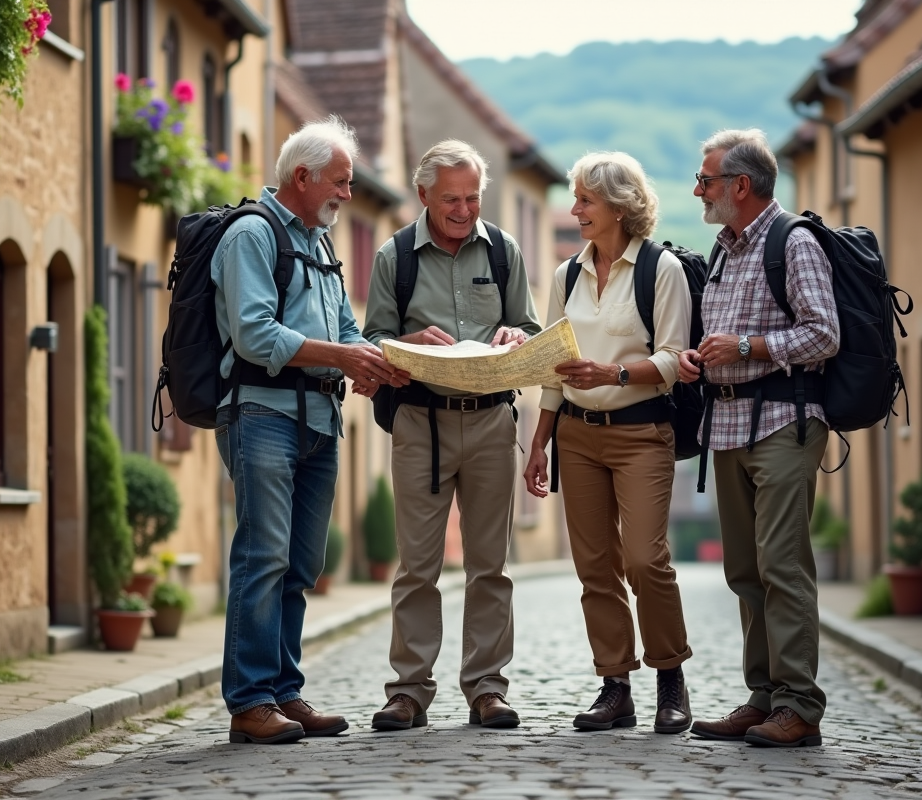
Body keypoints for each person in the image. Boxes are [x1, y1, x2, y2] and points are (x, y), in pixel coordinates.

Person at [213, 115, 408, 745]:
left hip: (321, 420)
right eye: (341, 182)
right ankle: (249, 703)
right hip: (263, 414)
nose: (349, 194)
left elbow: (344, 329)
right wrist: (341, 357)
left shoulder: (321, 243)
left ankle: (284, 692)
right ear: (303, 177)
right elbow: (254, 333)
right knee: (263, 556)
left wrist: (378, 358)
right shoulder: (252, 235)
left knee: (301, 563)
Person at [363, 140, 542, 731]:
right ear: (422, 196)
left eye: (472, 197)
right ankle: (408, 690)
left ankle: (488, 688)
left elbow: (529, 326)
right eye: (450, 200)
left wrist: (517, 337)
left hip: (492, 419)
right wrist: (412, 343)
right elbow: (374, 342)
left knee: (490, 564)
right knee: (418, 565)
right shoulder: (395, 257)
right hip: (420, 423)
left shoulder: (505, 251)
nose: (464, 210)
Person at [523, 151, 695, 734]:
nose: (575, 210)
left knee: (646, 560)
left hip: (643, 432)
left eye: (585, 201)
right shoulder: (565, 275)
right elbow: (552, 368)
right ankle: (614, 687)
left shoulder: (660, 270)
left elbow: (675, 358)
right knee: (594, 566)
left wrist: (615, 374)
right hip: (576, 436)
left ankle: (670, 678)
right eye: (575, 199)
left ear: (619, 207)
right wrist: (540, 442)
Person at [679, 129, 839, 748]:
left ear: (740, 186)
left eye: (707, 180)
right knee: (745, 570)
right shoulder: (723, 248)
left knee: (782, 565)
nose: (699, 190)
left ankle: (800, 705)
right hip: (725, 425)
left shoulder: (792, 242)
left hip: (783, 423)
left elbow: (823, 334)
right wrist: (703, 356)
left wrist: (748, 347)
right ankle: (766, 695)